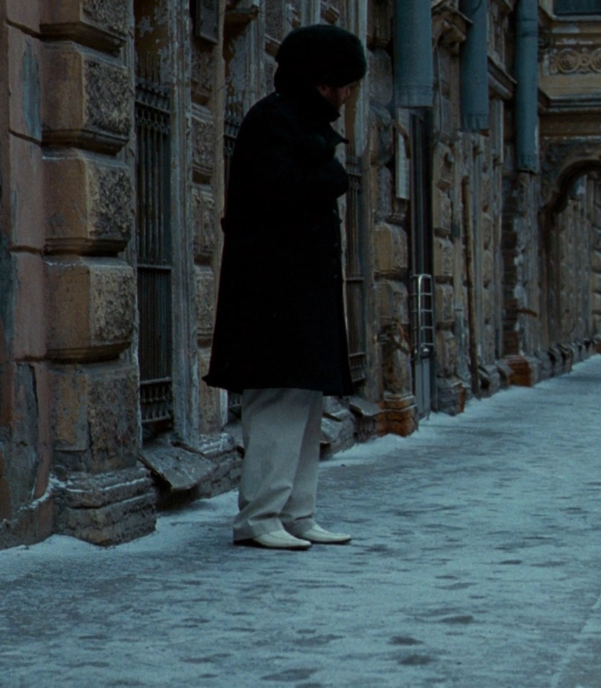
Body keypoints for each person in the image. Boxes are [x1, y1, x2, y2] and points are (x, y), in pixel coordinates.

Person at [203, 25, 367, 551]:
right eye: (344, 84)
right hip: (272, 294)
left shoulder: (300, 123)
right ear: (322, 82)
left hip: (301, 290)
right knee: (277, 399)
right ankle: (259, 516)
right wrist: (331, 177)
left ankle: (298, 512)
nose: (347, 95)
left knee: (305, 400)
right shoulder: (272, 122)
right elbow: (280, 193)